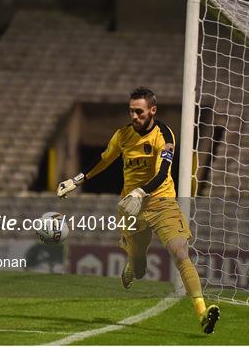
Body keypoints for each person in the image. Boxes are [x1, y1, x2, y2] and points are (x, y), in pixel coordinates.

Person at [57, 87, 220, 334]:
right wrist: (77, 180)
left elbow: (162, 173)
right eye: (131, 111)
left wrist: (141, 191)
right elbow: (104, 159)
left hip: (161, 202)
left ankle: (202, 313)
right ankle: (132, 267)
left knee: (179, 251)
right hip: (130, 209)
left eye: (139, 111)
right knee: (140, 267)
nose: (134, 116)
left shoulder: (164, 135)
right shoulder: (123, 135)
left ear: (152, 110)